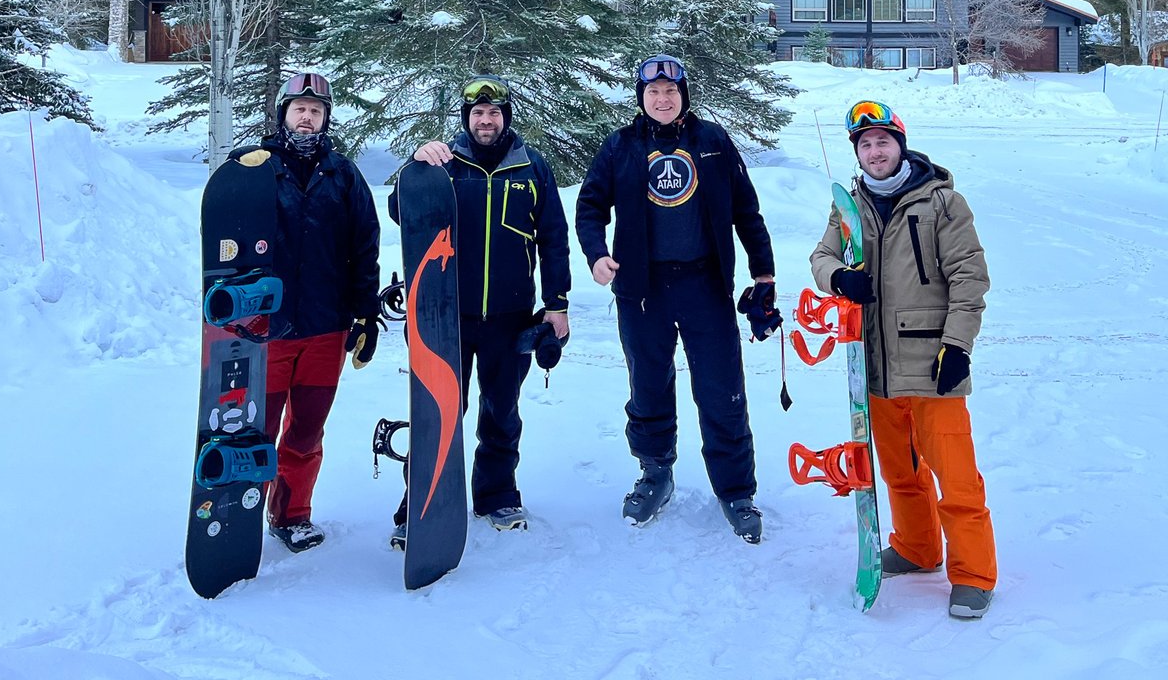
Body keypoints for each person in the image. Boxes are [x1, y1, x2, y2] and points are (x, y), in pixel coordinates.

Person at [575, 54, 782, 544]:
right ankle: (655, 474)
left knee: (721, 387)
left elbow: (746, 210)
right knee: (648, 386)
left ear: (683, 95)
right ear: (641, 98)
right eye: (653, 93)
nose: (662, 99)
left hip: (705, 285)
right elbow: (589, 206)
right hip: (641, 291)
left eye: (671, 91)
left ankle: (735, 490)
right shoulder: (621, 146)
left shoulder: (711, 141)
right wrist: (596, 254)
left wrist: (764, 272)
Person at [809, 100, 997, 619]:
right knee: (900, 474)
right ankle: (917, 549)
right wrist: (837, 278)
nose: (874, 152)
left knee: (956, 478)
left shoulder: (942, 202)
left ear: (901, 144)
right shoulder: (849, 206)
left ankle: (974, 575)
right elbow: (821, 258)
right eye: (865, 144)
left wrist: (958, 346)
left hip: (935, 363)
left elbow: (969, 277)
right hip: (875, 368)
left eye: (882, 141)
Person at [387, 74, 570, 544]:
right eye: (477, 114)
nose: (485, 121)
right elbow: (400, 209)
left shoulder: (532, 168)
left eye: (493, 113)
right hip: (445, 317)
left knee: (502, 410)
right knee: (438, 410)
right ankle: (422, 499)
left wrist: (557, 304)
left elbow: (553, 239)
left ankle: (497, 494)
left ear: (505, 118)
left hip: (509, 317)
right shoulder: (445, 164)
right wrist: (417, 163)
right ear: (466, 120)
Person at [233, 71, 381, 553]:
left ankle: (291, 514)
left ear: (325, 120)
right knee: (256, 429)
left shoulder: (344, 175)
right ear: (283, 114)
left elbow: (365, 248)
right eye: (299, 109)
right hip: (266, 330)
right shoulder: (256, 168)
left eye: (316, 111)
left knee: (306, 429)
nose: (307, 117)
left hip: (325, 328)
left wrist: (364, 314)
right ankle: (240, 514)